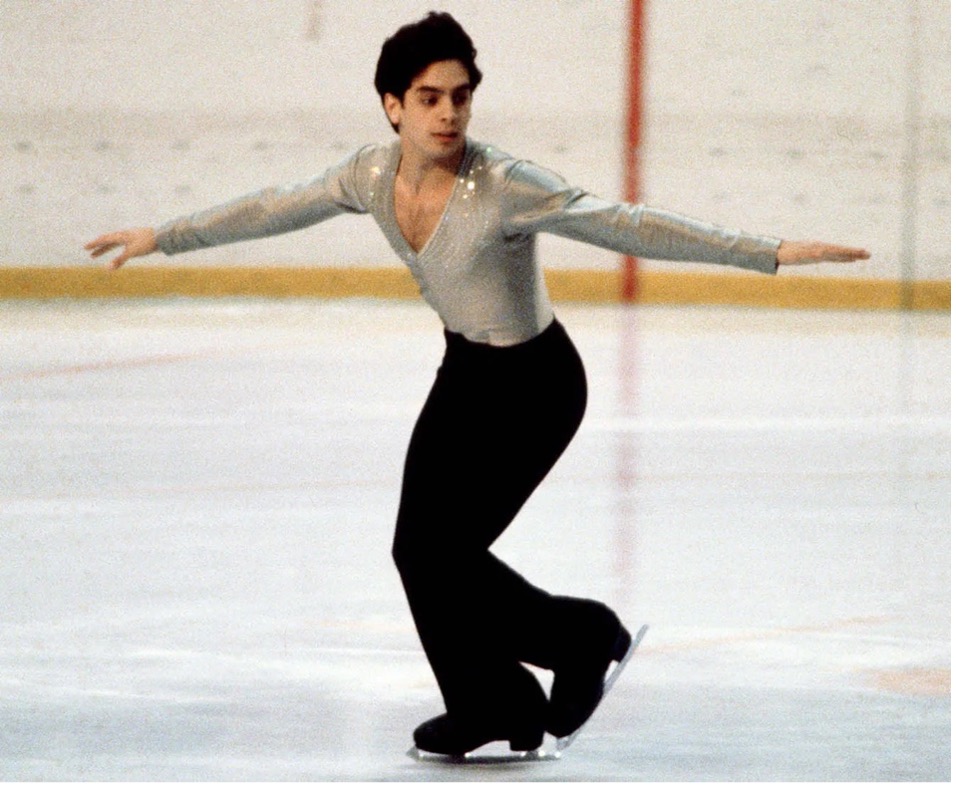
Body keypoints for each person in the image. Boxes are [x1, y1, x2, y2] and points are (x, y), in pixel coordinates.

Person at [86, 11, 869, 757]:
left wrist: (766, 251)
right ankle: (493, 701)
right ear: (393, 106)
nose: (448, 113)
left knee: (448, 555)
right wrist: (164, 236)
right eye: (429, 97)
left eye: (460, 96)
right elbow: (275, 206)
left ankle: (581, 638)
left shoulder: (504, 184)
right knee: (417, 551)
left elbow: (621, 222)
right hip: (465, 370)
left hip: (537, 386)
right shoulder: (369, 174)